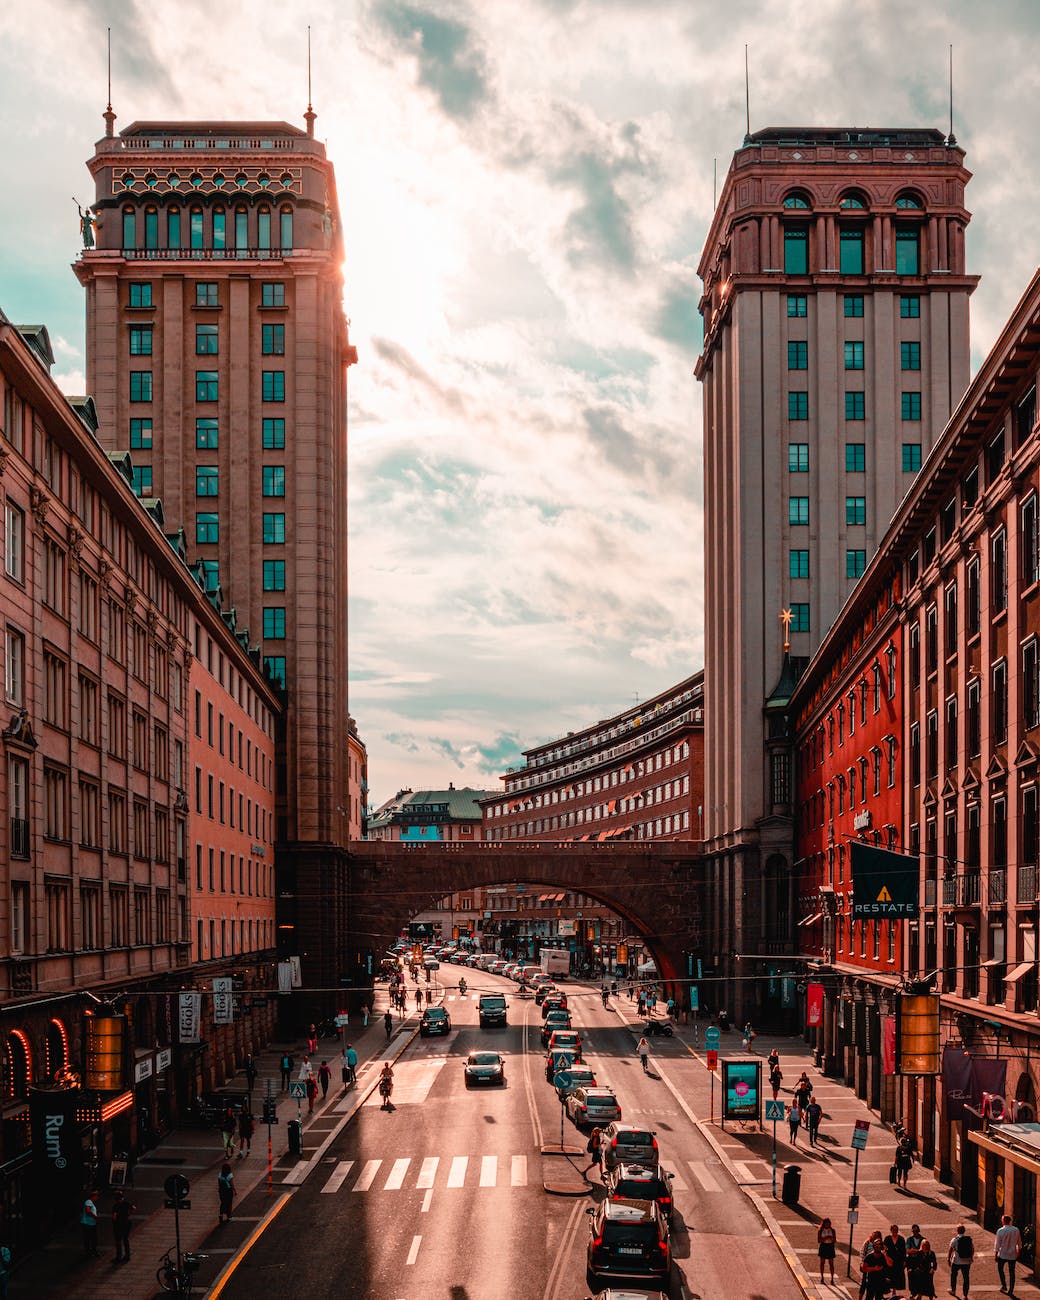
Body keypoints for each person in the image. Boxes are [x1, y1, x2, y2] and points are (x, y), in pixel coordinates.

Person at [994, 1213, 1021, 1295]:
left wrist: (996, 1254)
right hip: (1012, 1254)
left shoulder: (1000, 1231)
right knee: (1012, 1272)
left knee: (1000, 1269)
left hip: (1003, 1254)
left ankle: (1004, 1285)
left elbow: (997, 1244)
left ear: (1003, 1221)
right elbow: (1019, 1242)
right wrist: (1018, 1251)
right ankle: (1011, 1289)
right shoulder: (1016, 1230)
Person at [948, 1223, 974, 1299]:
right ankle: (965, 1295)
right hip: (966, 1262)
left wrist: (948, 1259)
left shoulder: (955, 1240)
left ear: (957, 1231)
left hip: (956, 1261)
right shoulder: (968, 1239)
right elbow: (972, 1249)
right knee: (966, 1278)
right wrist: (971, 1257)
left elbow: (950, 1250)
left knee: (953, 1276)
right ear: (964, 1231)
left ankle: (953, 1290)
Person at [907, 1236, 937, 1300]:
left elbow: (933, 1262)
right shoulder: (919, 1253)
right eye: (924, 1245)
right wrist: (911, 1268)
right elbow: (915, 1262)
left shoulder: (931, 1253)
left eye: (926, 1245)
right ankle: (919, 1296)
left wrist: (932, 1268)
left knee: (929, 1286)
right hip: (921, 1272)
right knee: (920, 1285)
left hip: (928, 1272)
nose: (925, 1247)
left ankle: (930, 1297)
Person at [111, 1189, 135, 1263]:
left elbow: (114, 1216)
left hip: (119, 1224)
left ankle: (119, 1257)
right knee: (125, 1239)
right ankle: (127, 1256)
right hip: (127, 1223)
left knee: (118, 1241)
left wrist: (114, 1221)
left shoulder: (116, 1206)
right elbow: (134, 1208)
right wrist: (129, 1214)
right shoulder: (126, 1203)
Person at [884, 1223, 907, 1296]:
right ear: (891, 1230)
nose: (895, 1231)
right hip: (890, 1260)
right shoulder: (887, 1238)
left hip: (898, 1260)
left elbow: (904, 1250)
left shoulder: (901, 1239)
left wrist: (904, 1260)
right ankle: (888, 1289)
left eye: (896, 1230)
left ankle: (894, 1290)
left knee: (897, 1275)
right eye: (893, 1230)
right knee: (889, 1274)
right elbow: (885, 1249)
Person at [81, 1188, 100, 1258]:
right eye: (97, 1196)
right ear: (93, 1196)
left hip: (92, 1223)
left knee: (93, 1238)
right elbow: (88, 1211)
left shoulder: (91, 1203)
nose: (97, 1198)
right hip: (87, 1223)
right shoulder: (88, 1202)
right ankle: (89, 1252)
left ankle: (92, 1251)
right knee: (89, 1238)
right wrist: (95, 1216)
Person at [817, 1216, 837, 1284]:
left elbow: (835, 1240)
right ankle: (822, 1277)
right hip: (823, 1246)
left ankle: (832, 1278)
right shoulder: (820, 1230)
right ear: (824, 1224)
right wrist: (825, 1238)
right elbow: (819, 1240)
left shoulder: (832, 1230)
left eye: (828, 1223)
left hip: (830, 1247)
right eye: (826, 1223)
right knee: (822, 1263)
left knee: (831, 1263)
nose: (827, 1225)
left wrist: (831, 1238)